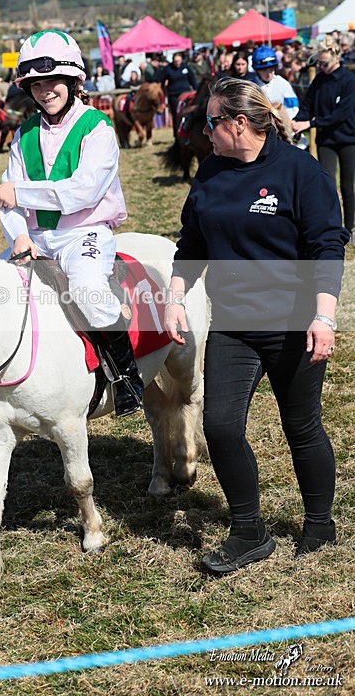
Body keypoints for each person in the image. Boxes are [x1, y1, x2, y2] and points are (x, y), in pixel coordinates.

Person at [164, 77, 349, 574]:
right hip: (234, 324)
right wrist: (176, 298)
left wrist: (323, 315)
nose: (203, 130)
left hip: (294, 323)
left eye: (210, 121)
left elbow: (328, 246)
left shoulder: (300, 173)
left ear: (238, 124)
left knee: (301, 424)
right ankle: (249, 530)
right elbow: (192, 243)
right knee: (220, 426)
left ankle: (319, 523)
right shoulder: (210, 174)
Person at [0, 29, 143, 417]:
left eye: (53, 80)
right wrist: (20, 236)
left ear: (74, 80)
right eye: (36, 84)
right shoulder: (22, 136)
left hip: (85, 232)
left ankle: (126, 377)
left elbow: (82, 192)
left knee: (89, 289)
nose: (45, 90)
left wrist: (19, 194)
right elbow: (7, 202)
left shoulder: (98, 128)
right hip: (37, 236)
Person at [292, 38, 355, 244]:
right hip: (326, 140)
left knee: (347, 186)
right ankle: (330, 226)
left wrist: (310, 124)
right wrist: (297, 120)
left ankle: (350, 228)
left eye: (324, 63)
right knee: (327, 184)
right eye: (319, 63)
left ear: (336, 58)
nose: (321, 67)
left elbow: (340, 114)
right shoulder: (319, 80)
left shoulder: (349, 80)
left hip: (348, 139)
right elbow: (307, 104)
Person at [252, 45, 300, 120]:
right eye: (264, 70)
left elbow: (293, 106)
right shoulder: (252, 86)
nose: (269, 74)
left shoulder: (282, 83)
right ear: (257, 70)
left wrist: (287, 120)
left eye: (271, 69)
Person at [162, 52, 197, 137]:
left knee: (188, 113)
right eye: (176, 61)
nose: (177, 63)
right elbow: (161, 80)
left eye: (179, 61)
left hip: (186, 94)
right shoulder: (168, 69)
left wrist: (196, 90)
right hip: (174, 95)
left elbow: (192, 79)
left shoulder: (185, 67)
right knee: (177, 115)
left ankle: (188, 133)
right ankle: (177, 135)